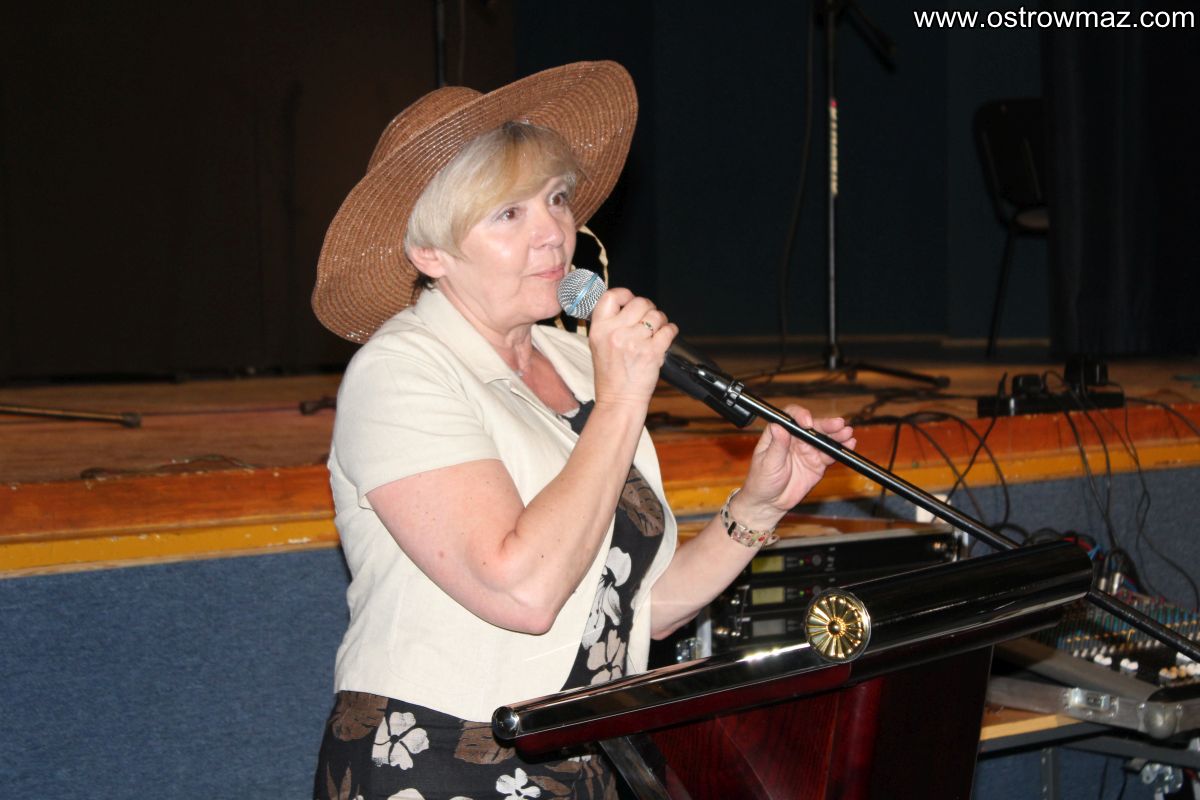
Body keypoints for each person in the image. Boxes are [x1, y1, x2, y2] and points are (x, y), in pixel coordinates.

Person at [310, 61, 855, 800]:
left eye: (557, 200)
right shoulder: (399, 373)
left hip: (585, 759)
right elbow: (525, 592)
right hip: (438, 757)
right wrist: (624, 398)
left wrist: (757, 507)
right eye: (509, 215)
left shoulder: (576, 359)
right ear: (430, 254)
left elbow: (635, 610)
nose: (553, 234)